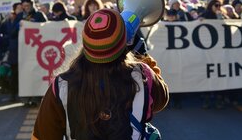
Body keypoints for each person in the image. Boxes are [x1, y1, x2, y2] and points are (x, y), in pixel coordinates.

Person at [32, 9, 169, 140]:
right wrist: (143, 55)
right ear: (123, 44)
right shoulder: (143, 74)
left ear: (86, 43)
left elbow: (42, 136)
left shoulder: (61, 85)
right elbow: (161, 101)